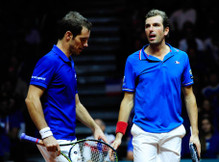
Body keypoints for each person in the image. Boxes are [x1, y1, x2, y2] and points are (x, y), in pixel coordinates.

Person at [111, 9, 201, 162]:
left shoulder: (181, 57)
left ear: (166, 30)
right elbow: (127, 100)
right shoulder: (133, 60)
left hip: (173, 132)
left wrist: (195, 134)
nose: (151, 29)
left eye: (155, 25)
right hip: (143, 133)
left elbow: (189, 96)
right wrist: (119, 135)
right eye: (147, 26)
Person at [25, 11, 107, 162]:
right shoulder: (49, 61)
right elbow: (31, 99)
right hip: (56, 138)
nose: (86, 44)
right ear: (68, 35)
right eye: (82, 40)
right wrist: (46, 134)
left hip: (68, 138)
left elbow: (76, 104)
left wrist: (95, 127)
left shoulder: (69, 63)